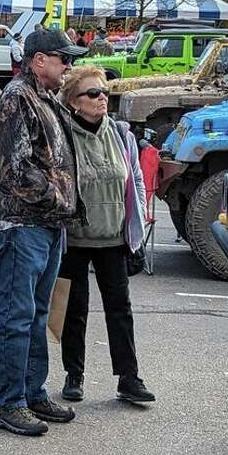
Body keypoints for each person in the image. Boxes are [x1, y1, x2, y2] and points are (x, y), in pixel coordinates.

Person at [0, 28, 88, 437]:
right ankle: (8, 402)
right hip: (24, 223)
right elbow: (14, 169)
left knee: (37, 315)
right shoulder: (17, 97)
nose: (70, 66)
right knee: (16, 315)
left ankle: (32, 392)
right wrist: (57, 198)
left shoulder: (45, 97)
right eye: (63, 58)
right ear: (39, 60)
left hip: (48, 225)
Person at [56, 66, 154, 406]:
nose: (102, 99)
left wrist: (137, 226)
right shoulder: (63, 135)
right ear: (74, 102)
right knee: (73, 309)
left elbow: (136, 180)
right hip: (74, 239)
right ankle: (74, 375)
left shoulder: (121, 134)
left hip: (114, 237)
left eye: (104, 92)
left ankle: (129, 378)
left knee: (120, 309)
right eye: (92, 94)